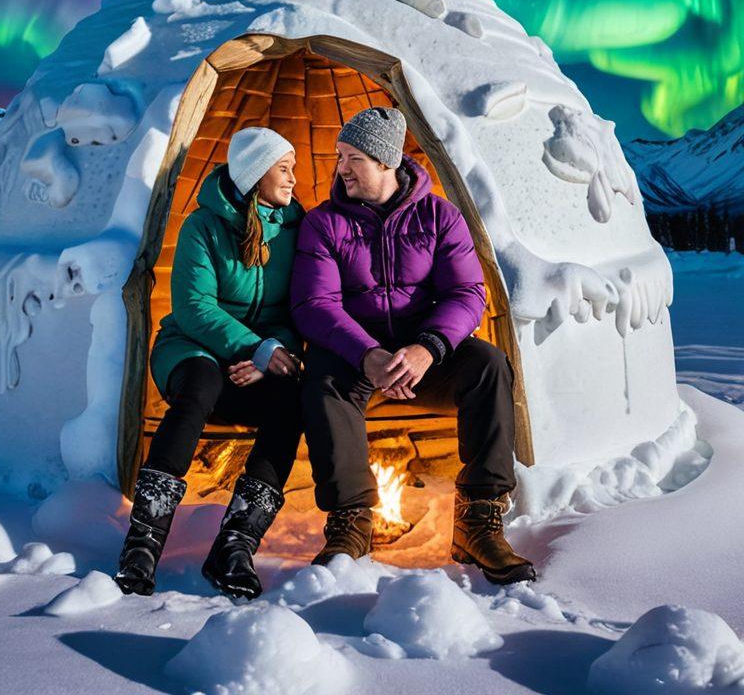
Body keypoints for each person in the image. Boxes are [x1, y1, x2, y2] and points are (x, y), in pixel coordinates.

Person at [290, 106, 536, 585]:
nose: (340, 167)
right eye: (340, 155)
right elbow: (313, 304)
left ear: (386, 162)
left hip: (424, 357)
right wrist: (367, 354)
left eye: (352, 157)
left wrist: (427, 348)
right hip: (356, 356)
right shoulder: (324, 224)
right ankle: (351, 523)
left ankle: (478, 521)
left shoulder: (441, 216)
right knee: (321, 379)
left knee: (488, 364)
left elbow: (467, 293)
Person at [115, 126, 304, 600]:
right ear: (256, 172)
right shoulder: (203, 225)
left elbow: (295, 311)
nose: (293, 179)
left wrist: (269, 356)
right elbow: (195, 307)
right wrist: (254, 348)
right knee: (200, 381)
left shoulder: (294, 228)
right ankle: (142, 544)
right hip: (191, 348)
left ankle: (235, 545)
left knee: (291, 397)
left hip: (254, 361)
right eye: (284, 168)